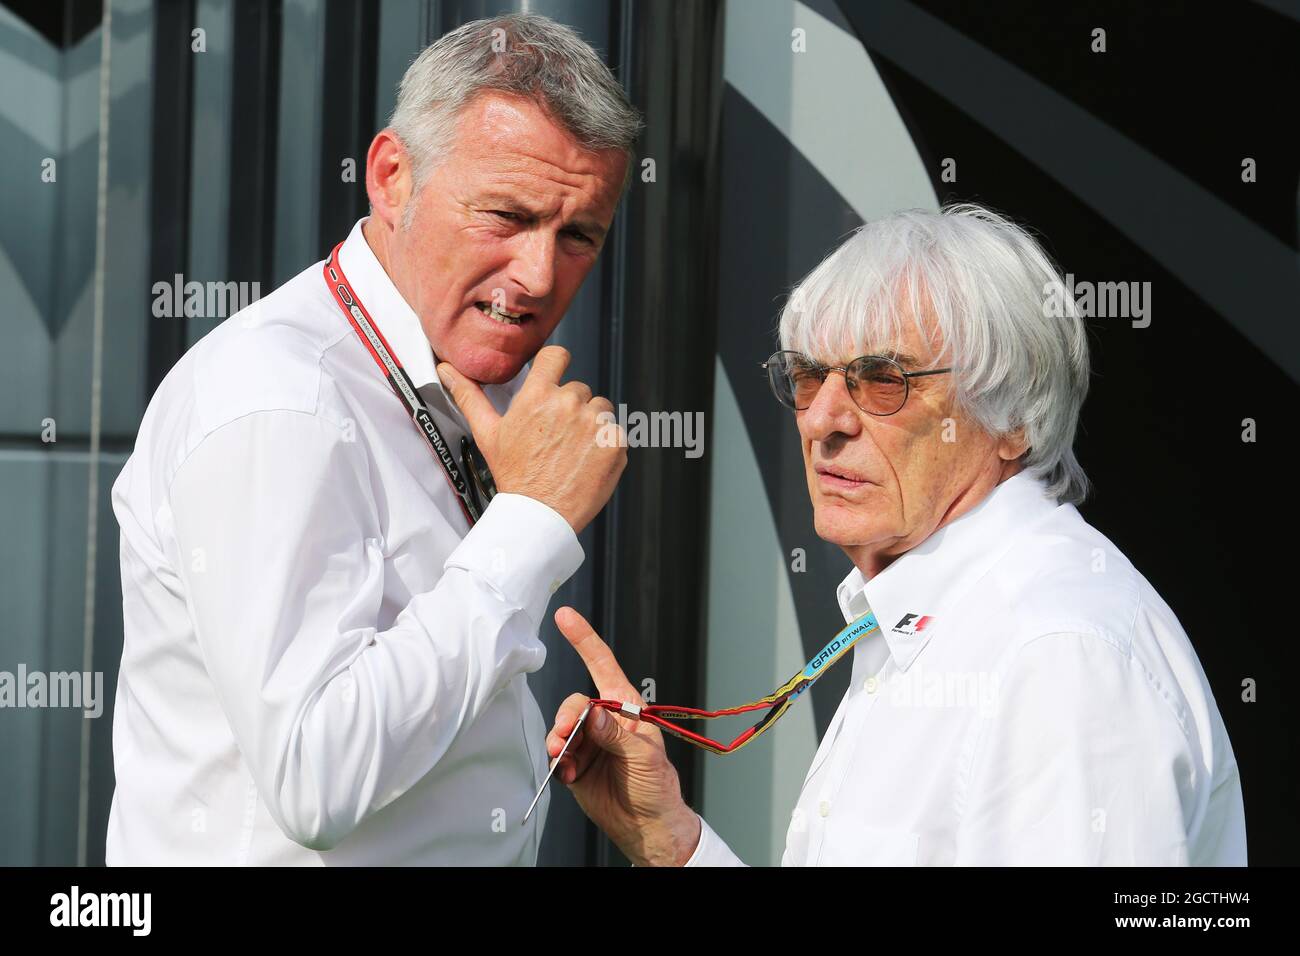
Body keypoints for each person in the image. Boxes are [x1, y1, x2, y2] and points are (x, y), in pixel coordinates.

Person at [544, 204, 1247, 866]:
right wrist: (677, 846)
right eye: (809, 376)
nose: (823, 419)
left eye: (883, 381)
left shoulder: (1056, 652)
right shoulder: (945, 616)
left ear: (1015, 418)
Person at [106, 13, 640, 865]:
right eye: (506, 215)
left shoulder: (426, 367)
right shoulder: (283, 400)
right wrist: (531, 522)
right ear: (392, 176)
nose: (540, 276)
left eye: (578, 235)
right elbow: (315, 775)